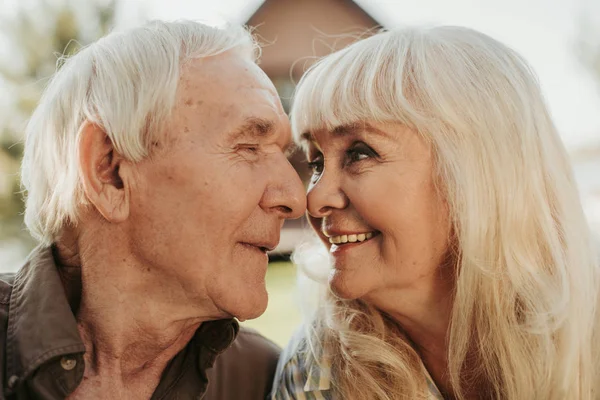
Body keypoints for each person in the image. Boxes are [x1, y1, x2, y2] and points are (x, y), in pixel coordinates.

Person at [272, 26, 600, 400]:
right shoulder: (316, 372)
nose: (314, 201)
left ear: (475, 172)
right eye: (315, 163)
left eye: (359, 153)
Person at [0, 20, 306, 399]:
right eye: (248, 147)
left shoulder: (268, 382)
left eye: (286, 155)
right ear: (109, 171)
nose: (295, 197)